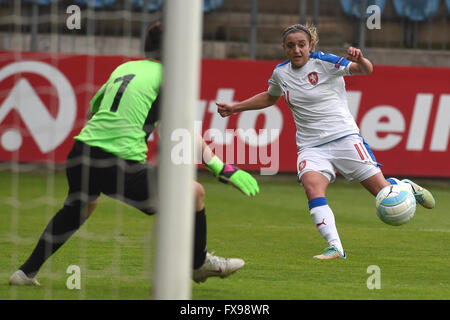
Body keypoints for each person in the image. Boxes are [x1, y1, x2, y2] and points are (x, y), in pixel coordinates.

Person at [9, 21, 259, 286]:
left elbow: (93, 112)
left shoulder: (125, 67)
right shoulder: (169, 77)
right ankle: (198, 264)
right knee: (193, 193)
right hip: (118, 163)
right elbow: (183, 128)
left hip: (81, 153)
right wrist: (221, 167)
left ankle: (26, 272)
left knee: (80, 207)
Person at [216, 23, 435, 260]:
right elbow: (270, 96)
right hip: (311, 146)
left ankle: (404, 187)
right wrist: (235, 107)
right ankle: (335, 247)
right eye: (291, 46)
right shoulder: (281, 73)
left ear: (310, 45)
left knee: (383, 193)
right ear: (284, 48)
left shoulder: (324, 62)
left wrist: (360, 60)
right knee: (313, 188)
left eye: (301, 45)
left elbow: (366, 70)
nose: (297, 50)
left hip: (344, 138)